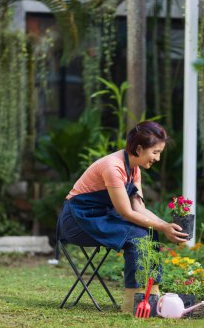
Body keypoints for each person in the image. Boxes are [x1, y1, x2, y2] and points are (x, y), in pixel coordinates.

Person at [57, 121, 187, 312]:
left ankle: (151, 297)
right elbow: (125, 212)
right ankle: (132, 304)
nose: (158, 158)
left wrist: (166, 225)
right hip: (77, 221)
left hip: (100, 217)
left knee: (150, 233)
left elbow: (138, 208)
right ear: (139, 148)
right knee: (136, 237)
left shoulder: (134, 169)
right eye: (155, 152)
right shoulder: (113, 167)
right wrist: (163, 226)